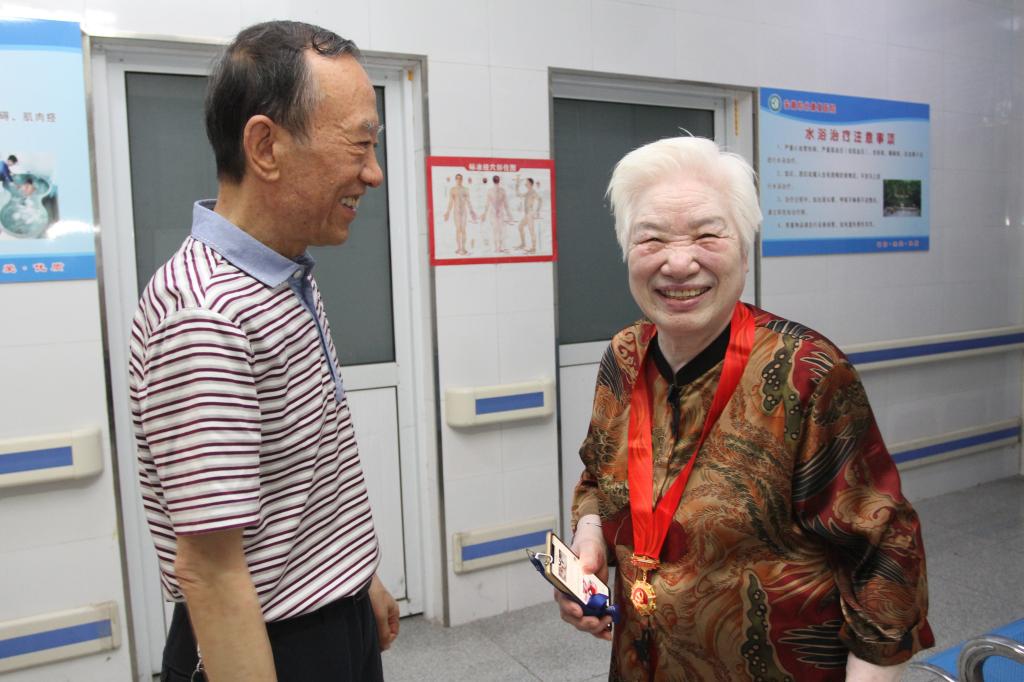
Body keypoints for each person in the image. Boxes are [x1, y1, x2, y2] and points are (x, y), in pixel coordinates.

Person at [557, 137, 933, 681]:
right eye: (652, 238)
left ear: (745, 252)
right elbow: (599, 475)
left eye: (707, 235)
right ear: (627, 251)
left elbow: (884, 553)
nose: (678, 263)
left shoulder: (806, 371)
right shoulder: (624, 356)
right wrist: (589, 543)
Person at [128, 21, 398, 681]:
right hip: (265, 643)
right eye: (359, 144)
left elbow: (301, 473)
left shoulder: (282, 275)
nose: (374, 172)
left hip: (326, 610)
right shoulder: (206, 311)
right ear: (265, 146)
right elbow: (211, 570)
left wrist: (356, 577)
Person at [443, 173, 477, 255]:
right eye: (457, 178)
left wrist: (472, 211)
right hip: (456, 212)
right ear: (455, 179)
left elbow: (468, 202)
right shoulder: (452, 189)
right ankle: (459, 248)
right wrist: (447, 212)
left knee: (463, 229)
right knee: (458, 230)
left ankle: (463, 248)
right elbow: (450, 202)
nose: (459, 180)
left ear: (462, 179)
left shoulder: (465, 189)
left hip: (463, 212)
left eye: (460, 178)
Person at [480, 174, 512, 253]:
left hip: (496, 213)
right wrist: (509, 215)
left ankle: (497, 247)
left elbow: (487, 205)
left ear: (493, 181)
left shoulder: (491, 191)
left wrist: (484, 214)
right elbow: (506, 205)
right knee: (499, 230)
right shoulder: (501, 191)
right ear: (499, 181)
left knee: (497, 230)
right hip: (497, 213)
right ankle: (498, 247)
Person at [514, 176, 541, 253]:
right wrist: (517, 185)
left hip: (530, 214)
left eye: (526, 182)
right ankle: (523, 244)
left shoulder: (533, 192)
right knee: (520, 227)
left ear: (530, 183)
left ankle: (534, 248)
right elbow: (518, 195)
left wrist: (537, 211)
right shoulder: (528, 192)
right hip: (527, 215)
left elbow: (540, 200)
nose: (525, 183)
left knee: (531, 231)